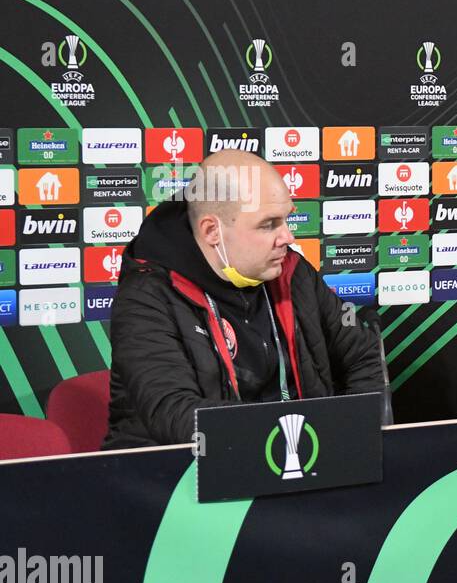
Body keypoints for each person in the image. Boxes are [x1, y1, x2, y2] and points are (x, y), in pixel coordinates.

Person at [103, 149, 386, 448]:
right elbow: (175, 413)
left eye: (286, 220)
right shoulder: (147, 295)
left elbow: (364, 354)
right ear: (213, 231)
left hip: (297, 460)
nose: (288, 237)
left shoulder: (293, 271)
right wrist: (288, 436)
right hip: (174, 478)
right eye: (268, 225)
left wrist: (356, 438)